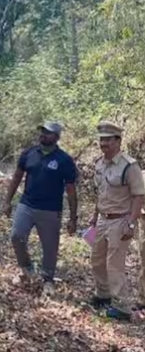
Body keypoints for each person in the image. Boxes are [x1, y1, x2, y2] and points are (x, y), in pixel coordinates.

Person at [2, 122, 78, 295]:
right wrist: (7, 201)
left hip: (51, 210)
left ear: (57, 137)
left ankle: (48, 279)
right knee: (17, 236)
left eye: (48, 132)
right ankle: (27, 268)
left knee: (50, 247)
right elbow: (16, 178)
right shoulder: (28, 154)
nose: (43, 134)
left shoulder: (64, 160)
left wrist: (73, 217)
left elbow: (71, 190)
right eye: (42, 131)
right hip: (26, 204)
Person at [89, 121, 144, 321]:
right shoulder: (99, 164)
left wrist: (131, 222)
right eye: (101, 139)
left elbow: (139, 195)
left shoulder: (129, 166)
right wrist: (95, 216)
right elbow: (101, 193)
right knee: (96, 260)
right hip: (103, 220)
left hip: (120, 221)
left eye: (108, 140)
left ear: (118, 141)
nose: (104, 143)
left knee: (115, 264)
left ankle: (122, 306)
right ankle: (103, 295)